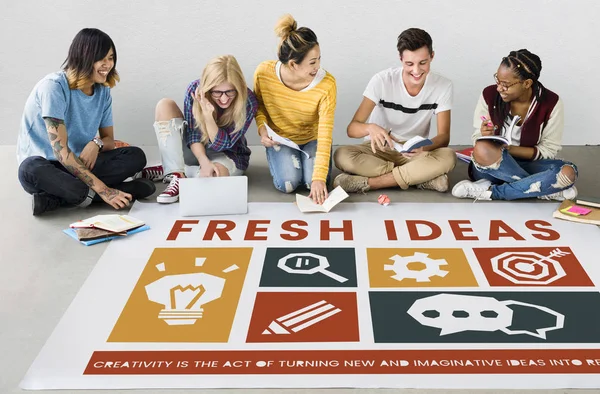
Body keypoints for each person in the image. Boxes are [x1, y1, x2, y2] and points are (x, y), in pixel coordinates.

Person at [17, 28, 154, 216]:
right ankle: (119, 192)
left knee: (136, 156)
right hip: (48, 167)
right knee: (29, 169)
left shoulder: (103, 91)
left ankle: (57, 199)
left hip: (80, 163)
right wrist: (105, 191)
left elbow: (108, 140)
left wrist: (95, 144)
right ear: (84, 57)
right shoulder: (54, 87)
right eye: (102, 58)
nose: (108, 65)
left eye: (111, 58)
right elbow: (61, 153)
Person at [333, 28, 455, 194]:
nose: (416, 71)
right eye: (409, 64)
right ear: (400, 58)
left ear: (432, 56)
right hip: (379, 151)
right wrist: (370, 128)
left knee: (448, 157)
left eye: (423, 63)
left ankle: (370, 183)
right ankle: (420, 178)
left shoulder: (443, 86)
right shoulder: (382, 81)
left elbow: (444, 137)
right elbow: (352, 129)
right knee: (341, 155)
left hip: (415, 154)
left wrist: (423, 149)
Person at [451, 49, 578, 201]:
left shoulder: (551, 103)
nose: (499, 88)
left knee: (568, 172)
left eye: (505, 84)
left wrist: (511, 149)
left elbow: (548, 149)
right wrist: (485, 136)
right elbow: (477, 137)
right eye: (497, 80)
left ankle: (491, 191)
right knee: (482, 149)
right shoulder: (489, 95)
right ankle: (542, 188)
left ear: (527, 83)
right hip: (493, 166)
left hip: (530, 164)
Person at [141, 55, 257, 203]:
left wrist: (208, 116)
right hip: (196, 148)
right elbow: (193, 135)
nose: (224, 99)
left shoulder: (248, 100)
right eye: (217, 92)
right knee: (164, 105)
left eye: (230, 91)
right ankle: (177, 173)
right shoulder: (194, 90)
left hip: (228, 154)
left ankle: (173, 169)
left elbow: (223, 144)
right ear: (208, 88)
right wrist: (203, 161)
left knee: (211, 180)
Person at [254, 14, 337, 205]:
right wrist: (262, 128)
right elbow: (259, 107)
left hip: (312, 138)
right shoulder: (264, 73)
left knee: (313, 183)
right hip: (282, 138)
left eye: (319, 59)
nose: (318, 66)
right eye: (312, 62)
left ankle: (310, 170)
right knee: (288, 184)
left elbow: (325, 132)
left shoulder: (327, 84)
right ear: (293, 64)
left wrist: (317, 178)